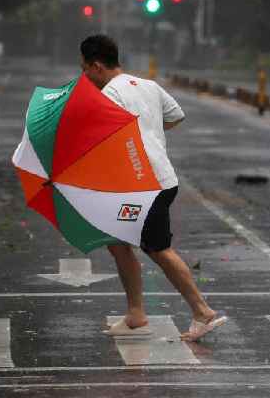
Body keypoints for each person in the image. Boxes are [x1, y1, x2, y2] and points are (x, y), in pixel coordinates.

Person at [79, 34, 228, 342]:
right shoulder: (148, 85)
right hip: (157, 179)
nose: (84, 76)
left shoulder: (107, 95)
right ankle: (135, 314)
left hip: (142, 185)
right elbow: (175, 117)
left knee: (158, 248)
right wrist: (149, 132)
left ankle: (202, 311)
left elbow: (103, 141)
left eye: (84, 69)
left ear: (95, 66)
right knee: (118, 241)